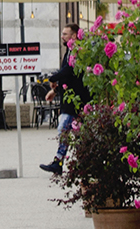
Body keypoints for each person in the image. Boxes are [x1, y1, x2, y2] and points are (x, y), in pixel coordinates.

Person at [39, 25, 89, 175]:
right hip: (72, 101)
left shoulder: (77, 52)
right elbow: (69, 77)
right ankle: (75, 162)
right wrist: (55, 91)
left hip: (76, 101)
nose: (62, 36)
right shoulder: (70, 51)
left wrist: (52, 78)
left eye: (65, 34)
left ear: (74, 36)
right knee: (76, 133)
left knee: (65, 130)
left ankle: (62, 162)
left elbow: (69, 71)